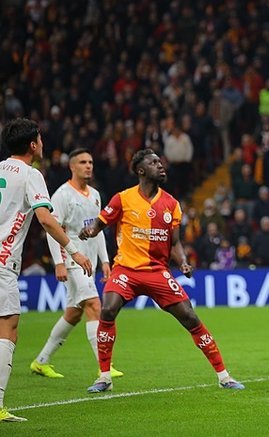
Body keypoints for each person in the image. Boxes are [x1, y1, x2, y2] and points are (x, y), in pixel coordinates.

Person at [79, 148, 243, 393]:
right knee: (108, 309)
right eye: (154, 162)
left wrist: (183, 261)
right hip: (126, 270)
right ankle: (104, 377)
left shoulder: (171, 204)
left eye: (160, 162)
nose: (160, 165)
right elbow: (100, 223)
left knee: (190, 317)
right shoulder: (123, 199)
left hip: (157, 272)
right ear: (141, 170)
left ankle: (224, 376)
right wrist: (90, 231)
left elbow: (174, 242)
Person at [0, 118, 93, 422]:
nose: (42, 143)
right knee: (8, 327)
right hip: (3, 262)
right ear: (32, 144)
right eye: (39, 139)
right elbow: (46, 219)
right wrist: (74, 250)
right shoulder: (31, 174)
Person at [30, 148, 125, 379]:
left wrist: (105, 260)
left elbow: (97, 230)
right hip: (73, 261)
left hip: (89, 263)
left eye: (90, 162)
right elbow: (53, 229)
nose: (88, 166)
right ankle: (104, 366)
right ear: (72, 166)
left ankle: (41, 362)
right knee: (94, 305)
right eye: (83, 162)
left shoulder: (95, 194)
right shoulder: (62, 195)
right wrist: (59, 263)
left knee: (73, 314)